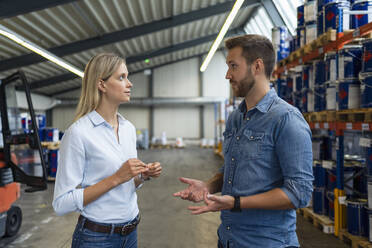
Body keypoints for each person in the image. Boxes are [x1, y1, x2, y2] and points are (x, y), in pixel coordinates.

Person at [173, 35, 313, 248]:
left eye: (233, 66)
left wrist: (236, 203)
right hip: (228, 240)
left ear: (257, 66)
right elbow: (232, 165)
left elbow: (299, 193)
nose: (227, 75)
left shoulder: (286, 119)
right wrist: (208, 186)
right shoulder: (236, 117)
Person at [52, 53, 162, 248]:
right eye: (121, 77)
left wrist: (143, 176)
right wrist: (116, 177)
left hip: (130, 233)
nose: (130, 84)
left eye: (127, 77)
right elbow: (61, 204)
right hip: (96, 238)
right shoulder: (78, 133)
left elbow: (127, 184)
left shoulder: (128, 128)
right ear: (101, 85)